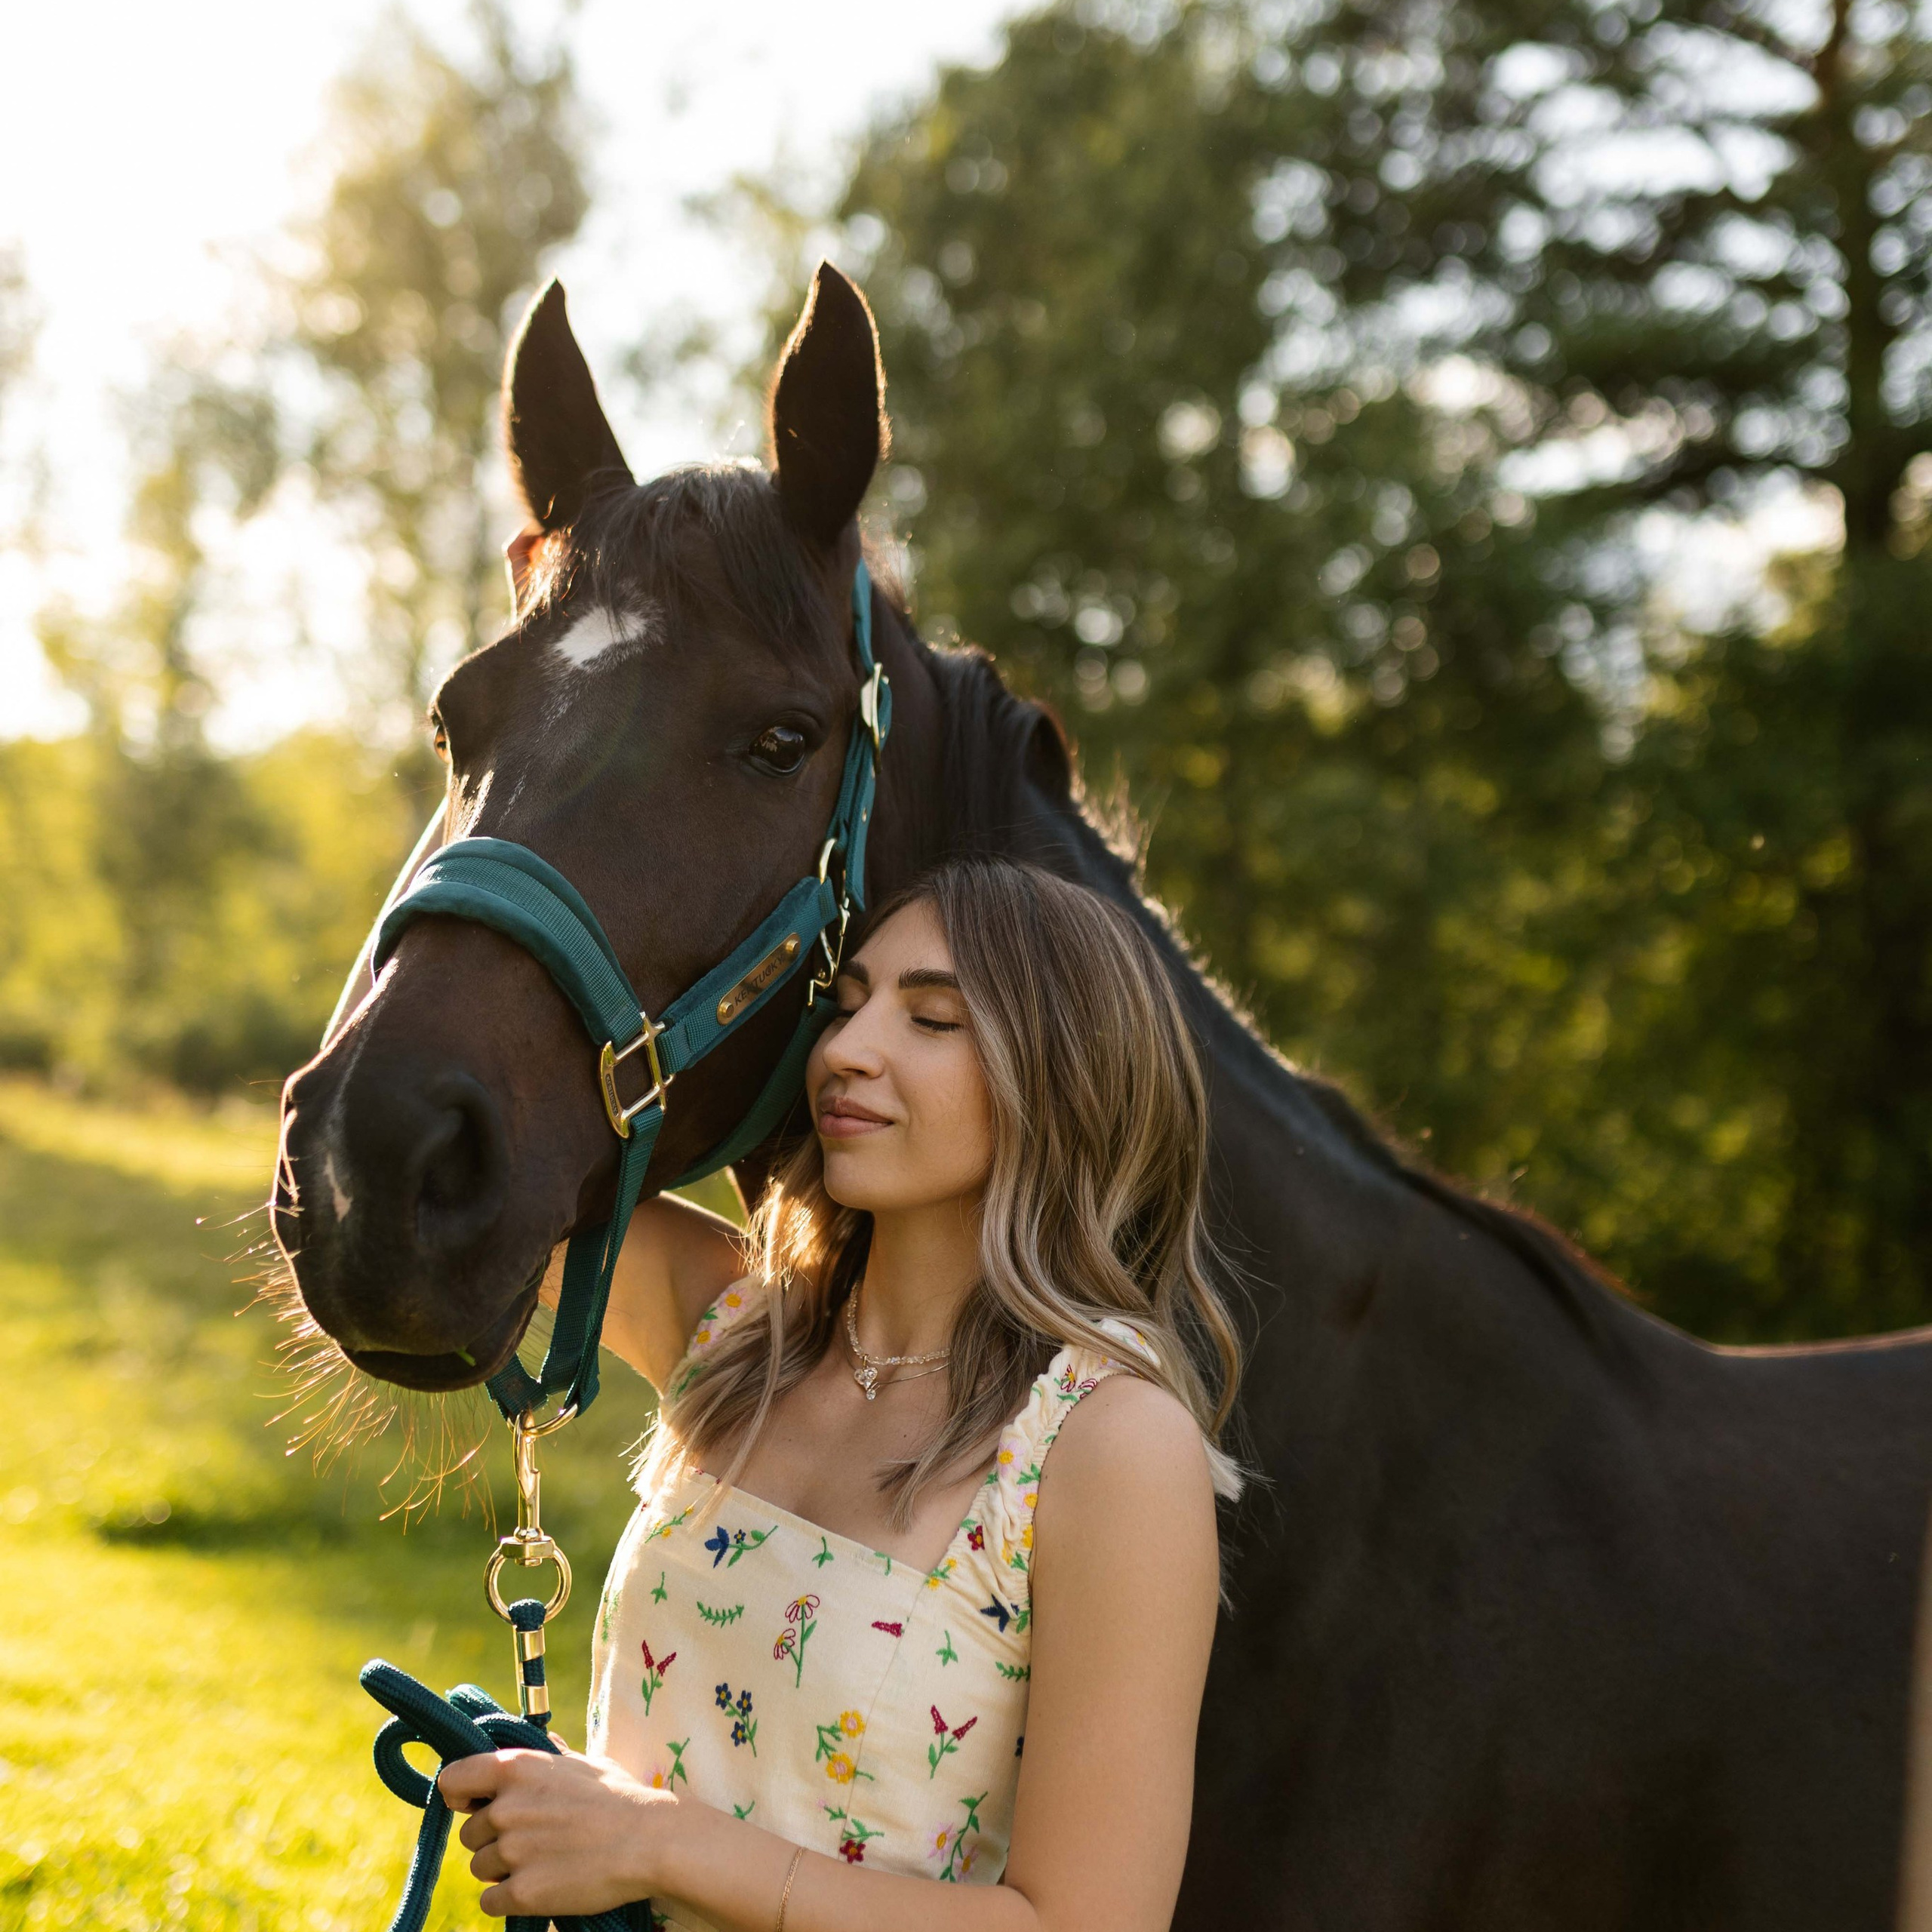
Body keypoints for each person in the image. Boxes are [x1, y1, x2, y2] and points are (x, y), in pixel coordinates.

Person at [439, 857, 1246, 1932]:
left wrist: (654, 1843)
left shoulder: (1108, 1444)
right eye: (848, 1005)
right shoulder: (736, 1328)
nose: (848, 1051)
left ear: (1066, 1079)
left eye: (933, 1020)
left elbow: (1084, 1925)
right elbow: (447, 1184)